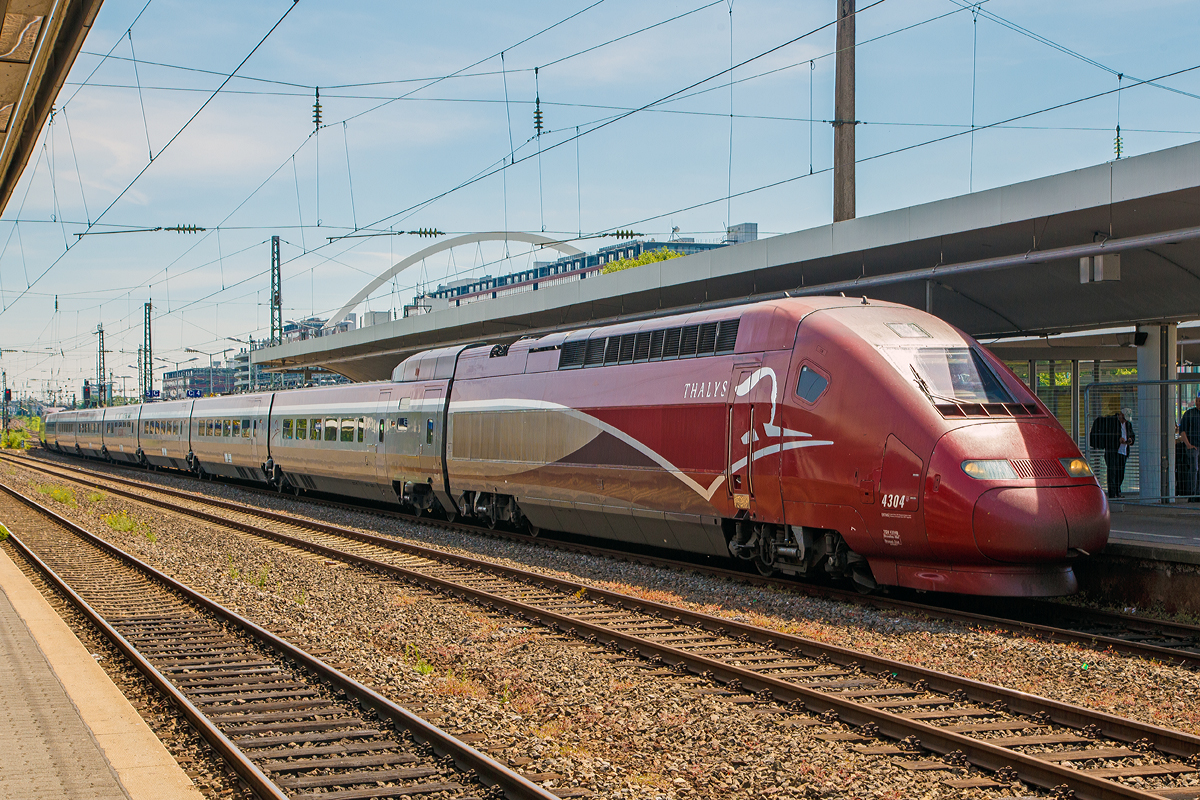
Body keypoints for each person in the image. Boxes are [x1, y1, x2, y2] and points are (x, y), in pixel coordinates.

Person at [1090, 408, 1134, 499]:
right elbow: (1108, 436)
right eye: (1124, 418)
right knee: (1112, 472)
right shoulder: (1112, 422)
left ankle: (1118, 491)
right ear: (1121, 415)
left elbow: (1132, 435)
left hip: (1123, 451)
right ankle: (1112, 493)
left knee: (1120, 473)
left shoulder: (1128, 424)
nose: (1124, 420)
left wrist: (1130, 440)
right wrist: (1118, 439)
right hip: (1113, 451)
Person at [1181, 396, 1200, 502]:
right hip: (1193, 447)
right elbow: (1182, 430)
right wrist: (1188, 444)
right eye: (1197, 401)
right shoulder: (1189, 414)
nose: (1198, 403)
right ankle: (1192, 494)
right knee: (1194, 470)